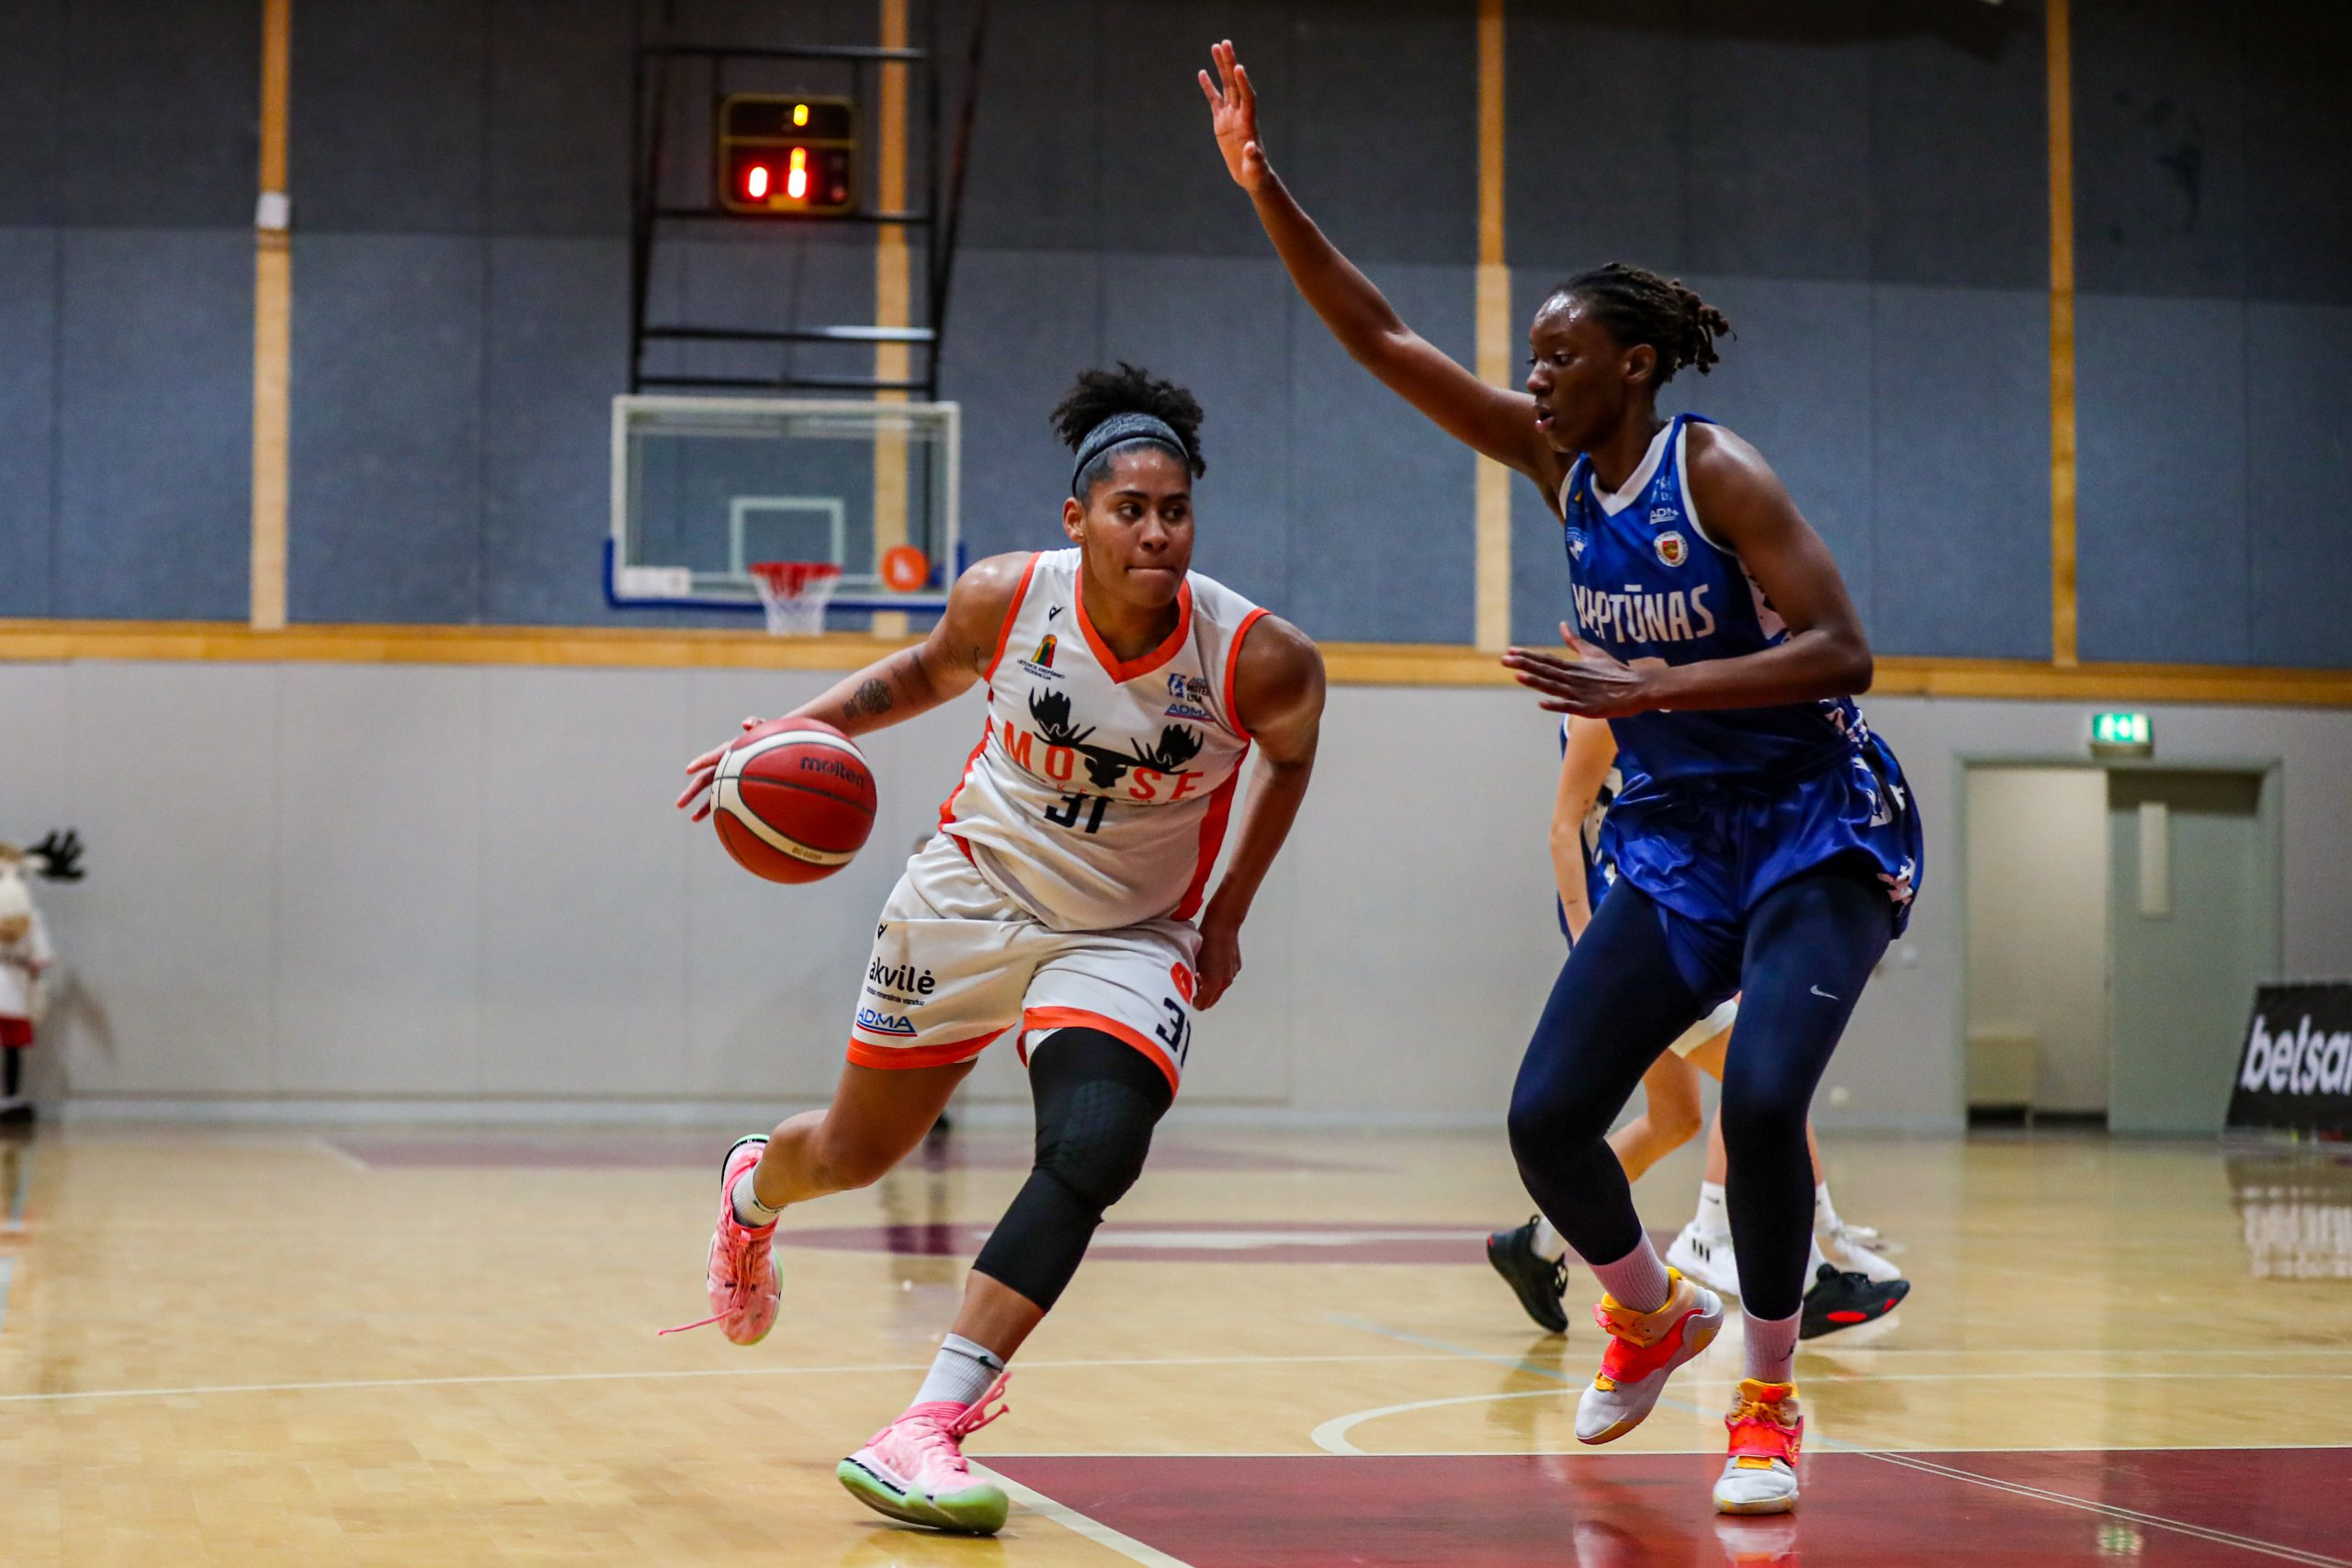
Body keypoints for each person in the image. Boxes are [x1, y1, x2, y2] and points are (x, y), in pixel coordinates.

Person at [1204, 43, 1921, 1516]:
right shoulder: (1559, 470)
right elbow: (1381, 338)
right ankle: (1650, 1315)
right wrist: (1263, 184)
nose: (1534, 378)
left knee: (1764, 1103)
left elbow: (1846, 650)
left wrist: (1649, 688)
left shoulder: (1717, 473)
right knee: (1545, 1120)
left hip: (1814, 826)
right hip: (1675, 838)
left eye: (1559, 356)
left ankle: (1768, 1406)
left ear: (1634, 365)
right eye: (1530, 360)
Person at [673, 365, 1326, 1537]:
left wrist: (1226, 913)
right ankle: (754, 1190)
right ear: (1078, 520)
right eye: (1130, 509)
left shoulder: (1258, 657)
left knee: (1096, 1145)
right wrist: (790, 732)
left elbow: (1287, 759)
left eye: (1175, 511)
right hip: (967, 898)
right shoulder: (1007, 598)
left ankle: (926, 1422)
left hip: (1128, 931)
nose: (1156, 532)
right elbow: (922, 674)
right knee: (854, 1155)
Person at [1486, 716, 1908, 1342]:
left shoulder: (1677, 693)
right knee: (1759, 1077)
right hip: (1646, 918)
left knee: (1675, 1118)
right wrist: (1584, 940)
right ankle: (1809, 1267)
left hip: (1680, 896)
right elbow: (1563, 829)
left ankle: (1536, 1245)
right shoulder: (1612, 701)